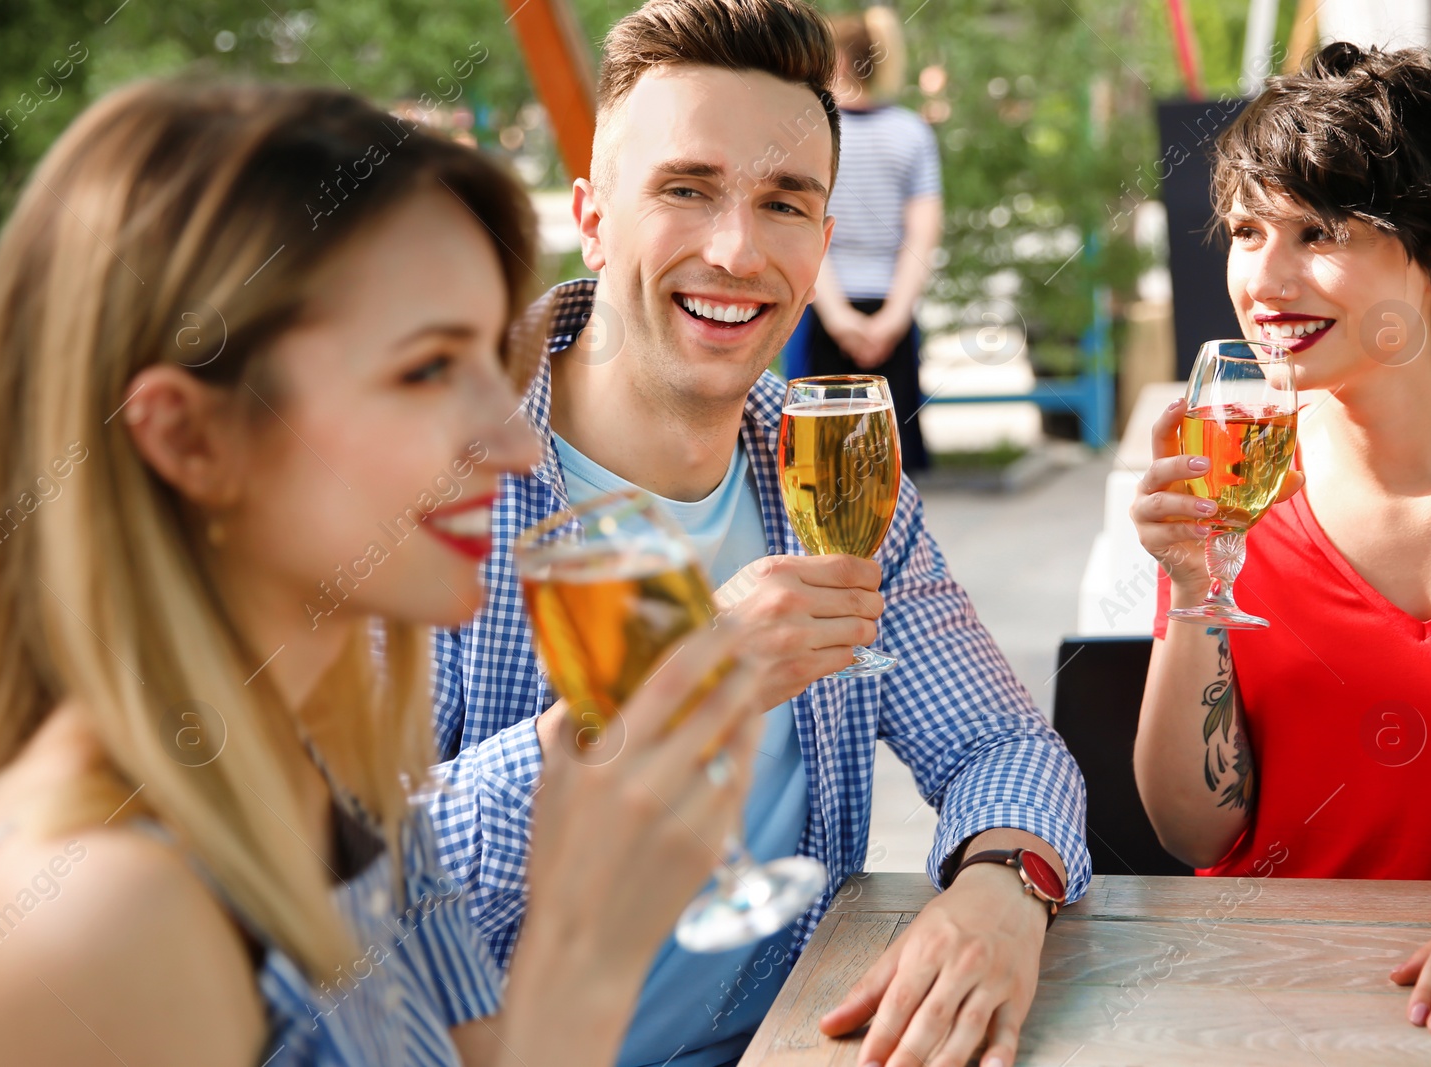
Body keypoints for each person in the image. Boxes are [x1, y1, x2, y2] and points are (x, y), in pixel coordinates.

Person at [0, 80, 771, 1066]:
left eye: (494, 355)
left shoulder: (330, 774)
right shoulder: (96, 923)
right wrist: (584, 949)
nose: (515, 444)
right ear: (189, 437)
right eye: (425, 369)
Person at [426, 2, 1090, 1066]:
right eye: (687, 189)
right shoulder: (430, 477)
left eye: (783, 204)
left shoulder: (832, 473)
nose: (736, 250)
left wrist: (1003, 891)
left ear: (821, 242)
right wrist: (667, 695)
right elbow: (329, 899)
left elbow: (1000, 745)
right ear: (593, 217)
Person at [1131, 42, 1431, 1040]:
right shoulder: (1232, 482)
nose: (1263, 275)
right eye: (1248, 229)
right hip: (1270, 1010)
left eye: (1320, 231)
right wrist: (1193, 590)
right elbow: (1196, 827)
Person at [794, 5, 941, 474]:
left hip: (819, 307)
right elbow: (922, 233)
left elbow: (804, 223)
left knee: (818, 461)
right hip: (890, 314)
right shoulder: (912, 133)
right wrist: (893, 319)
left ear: (832, 59)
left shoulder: (811, 132)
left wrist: (837, 318)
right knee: (888, 468)